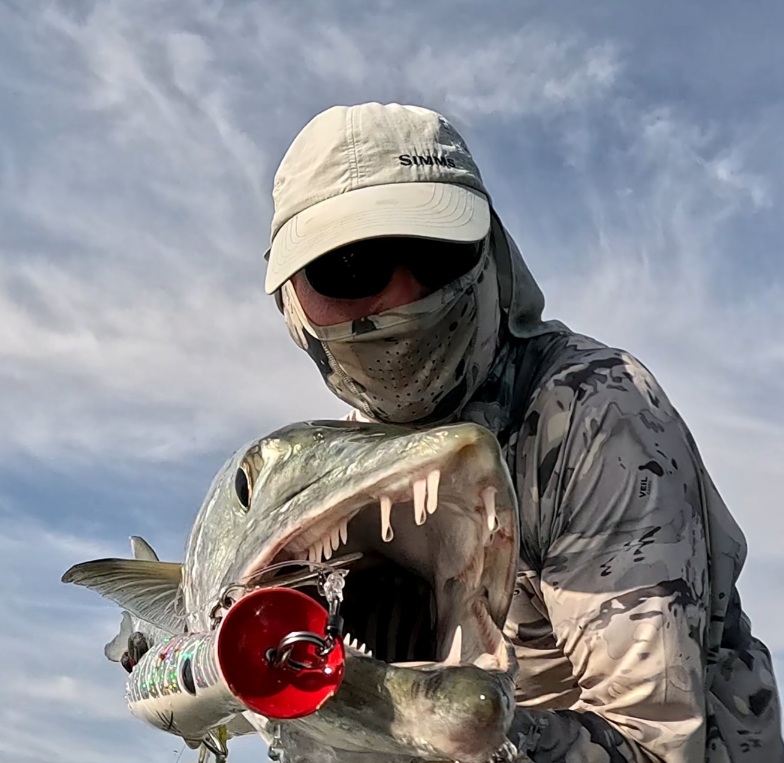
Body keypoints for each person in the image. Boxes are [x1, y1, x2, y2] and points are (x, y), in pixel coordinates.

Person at [263, 102, 783, 762]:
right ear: (292, 299)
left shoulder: (593, 413)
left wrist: (405, 716)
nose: (401, 296)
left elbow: (656, 749)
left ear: (488, 254)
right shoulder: (334, 471)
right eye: (349, 265)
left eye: (433, 252)